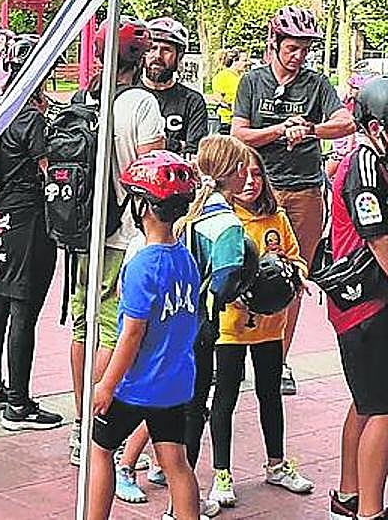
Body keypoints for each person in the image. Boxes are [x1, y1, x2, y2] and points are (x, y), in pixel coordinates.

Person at [232, 5, 355, 394]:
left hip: (304, 190)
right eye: (292, 49)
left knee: (292, 274)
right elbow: (239, 135)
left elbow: (346, 123)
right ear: (274, 44)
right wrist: (280, 130)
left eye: (305, 49)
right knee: (240, 269)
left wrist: (312, 130)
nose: (298, 56)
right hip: (258, 190)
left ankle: (277, 361)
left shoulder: (316, 85)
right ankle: (230, 352)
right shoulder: (252, 83)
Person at [68, 18, 165, 467]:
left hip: (84, 228)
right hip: (125, 232)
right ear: (138, 58)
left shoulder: (84, 97)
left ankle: (76, 424)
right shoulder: (141, 104)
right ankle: (98, 422)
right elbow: (152, 171)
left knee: (81, 325)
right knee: (113, 327)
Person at [87, 151, 202, 520]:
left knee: (100, 449)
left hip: (136, 385)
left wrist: (107, 384)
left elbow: (131, 336)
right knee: (176, 463)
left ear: (144, 207)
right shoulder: (186, 260)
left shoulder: (141, 267)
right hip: (174, 383)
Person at [207, 147, 313, 509]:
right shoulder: (225, 221)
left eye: (257, 175)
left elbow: (296, 258)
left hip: (271, 326)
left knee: (270, 393)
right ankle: (222, 472)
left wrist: (293, 274)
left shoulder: (276, 218)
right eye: (244, 175)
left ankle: (276, 463)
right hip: (231, 329)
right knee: (226, 397)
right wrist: (232, 293)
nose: (251, 182)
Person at [0, 34, 62, 430]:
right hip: (27, 221)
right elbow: (51, 172)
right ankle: (18, 403)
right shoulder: (30, 118)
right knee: (24, 308)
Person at [324, 76, 388, 520]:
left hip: (363, 304)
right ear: (374, 128)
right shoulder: (364, 168)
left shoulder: (372, 158)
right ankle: (369, 510)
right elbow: (380, 242)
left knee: (367, 401)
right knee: (385, 410)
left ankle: (348, 495)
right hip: (365, 305)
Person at [143, 18, 209, 157]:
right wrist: (177, 145)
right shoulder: (129, 94)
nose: (157, 56)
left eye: (166, 50)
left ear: (179, 56)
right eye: (152, 48)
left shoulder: (192, 101)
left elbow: (194, 151)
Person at [209, 49, 242, 133]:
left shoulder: (243, 77)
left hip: (242, 122)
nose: (248, 63)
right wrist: (234, 108)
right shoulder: (221, 77)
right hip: (227, 122)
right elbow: (218, 99)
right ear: (235, 61)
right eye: (244, 60)